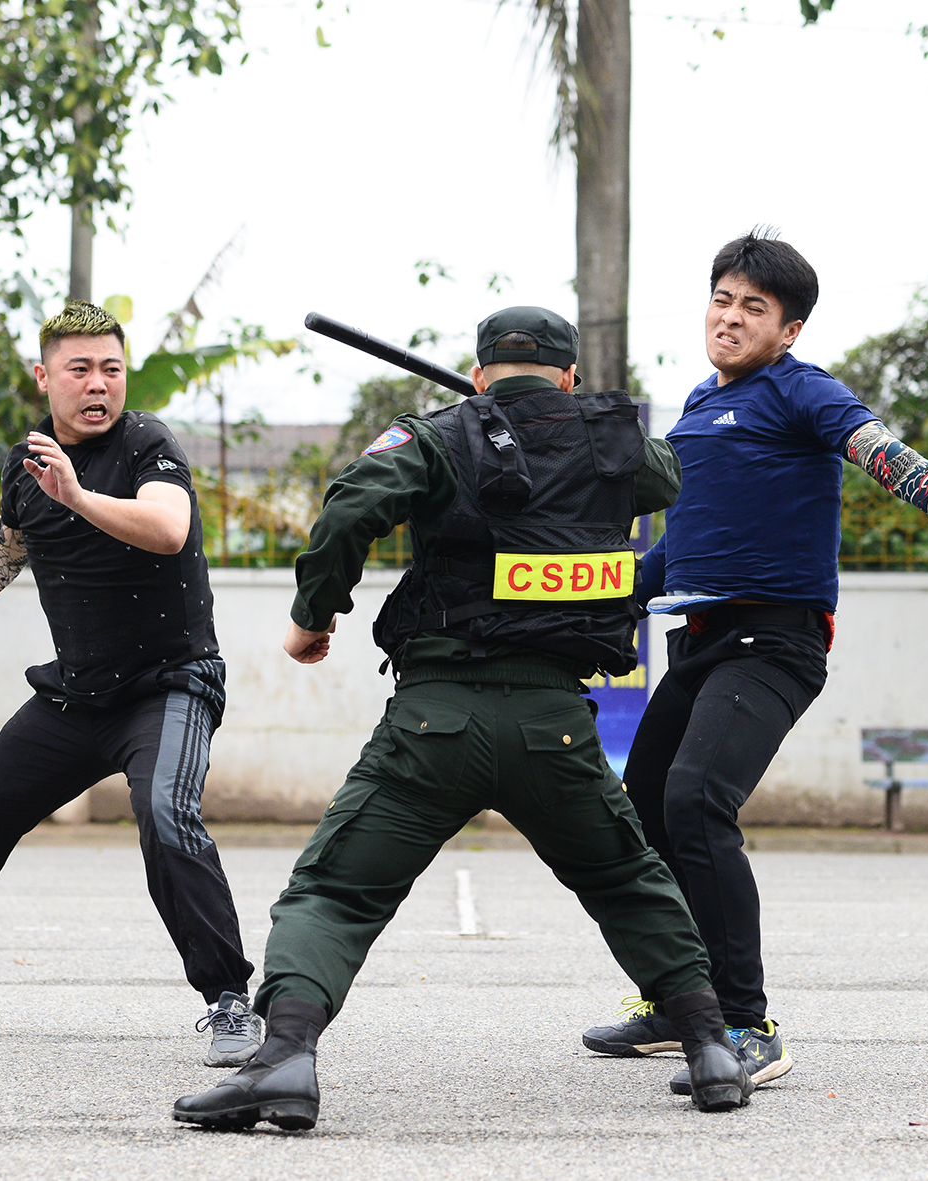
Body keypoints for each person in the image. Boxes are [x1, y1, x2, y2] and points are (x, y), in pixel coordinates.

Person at [170, 306, 753, 1132]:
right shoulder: (612, 442)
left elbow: (350, 506)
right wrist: (573, 420)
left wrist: (315, 612)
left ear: (480, 374)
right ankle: (711, 1047)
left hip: (434, 724)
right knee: (626, 879)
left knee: (335, 892)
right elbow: (663, 473)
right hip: (555, 724)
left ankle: (285, 1059)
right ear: (571, 377)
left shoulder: (439, 434)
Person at [580, 232, 928, 1095]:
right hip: (699, 639)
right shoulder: (694, 404)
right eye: (722, 298)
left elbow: (889, 458)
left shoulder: (804, 393)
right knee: (641, 805)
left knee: (694, 796)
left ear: (788, 329)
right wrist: (598, 596)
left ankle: (746, 1022)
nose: (730, 316)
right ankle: (672, 999)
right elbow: (677, 549)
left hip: (775, 642)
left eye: (753, 307)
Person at [0, 301, 263, 1069]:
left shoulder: (150, 445)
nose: (98, 384)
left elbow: (167, 528)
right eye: (80, 369)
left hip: (169, 686)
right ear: (45, 377)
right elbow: (6, 550)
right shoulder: (27, 463)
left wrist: (78, 496)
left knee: (164, 813)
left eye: (111, 368)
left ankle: (230, 999)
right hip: (76, 695)